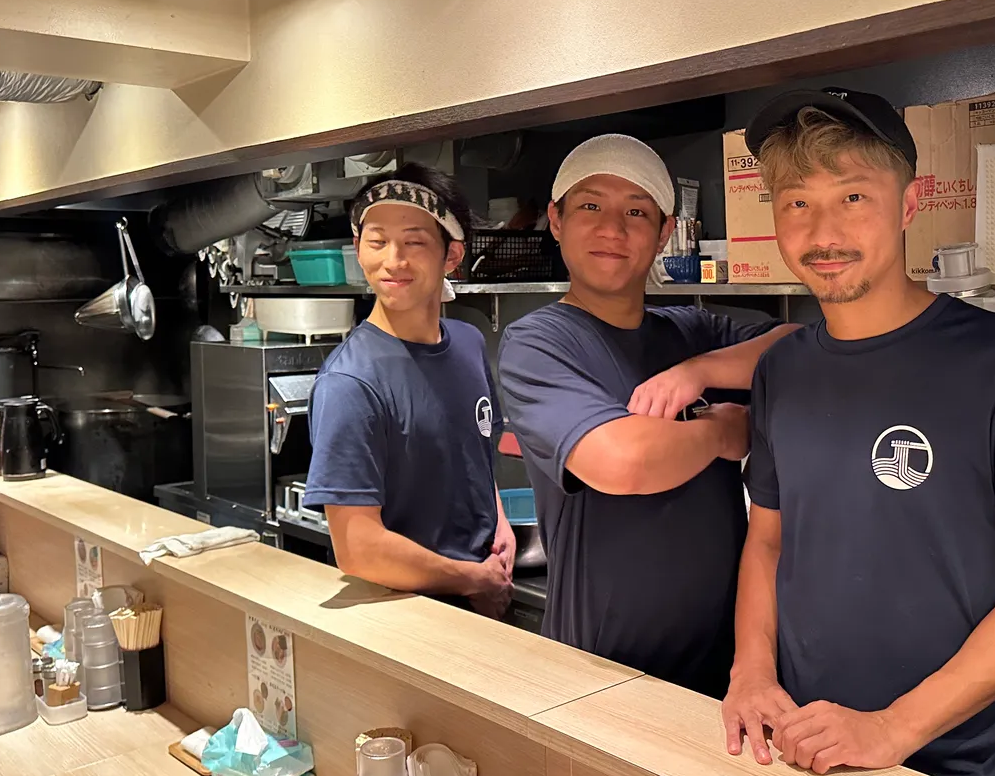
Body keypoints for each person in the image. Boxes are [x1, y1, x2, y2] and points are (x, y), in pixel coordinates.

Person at [720, 88, 995, 776]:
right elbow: (769, 543)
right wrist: (750, 671)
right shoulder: (782, 371)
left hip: (954, 771)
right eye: (797, 203)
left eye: (853, 198)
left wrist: (892, 728)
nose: (823, 232)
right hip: (799, 747)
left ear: (908, 204)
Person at [499, 134, 800, 696]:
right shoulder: (539, 343)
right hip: (602, 669)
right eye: (590, 206)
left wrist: (699, 370)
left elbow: (802, 344)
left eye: (636, 212)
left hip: (723, 666)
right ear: (556, 221)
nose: (612, 229)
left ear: (664, 232)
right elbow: (623, 462)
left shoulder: (690, 331)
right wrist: (720, 432)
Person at [304, 163, 516, 617]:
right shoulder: (350, 383)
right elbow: (358, 547)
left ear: (452, 255)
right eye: (377, 241)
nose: (394, 261)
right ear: (358, 249)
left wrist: (500, 521)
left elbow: (475, 455)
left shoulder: (468, 343)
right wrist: (470, 578)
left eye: (415, 242)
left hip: (483, 602)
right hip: (404, 618)